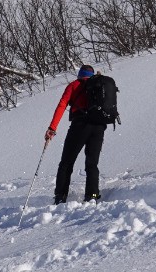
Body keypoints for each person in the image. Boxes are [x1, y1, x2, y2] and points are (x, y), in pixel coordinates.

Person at [44, 64, 116, 204]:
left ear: (80, 74)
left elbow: (62, 105)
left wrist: (52, 128)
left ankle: (60, 196)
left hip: (80, 125)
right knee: (92, 163)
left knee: (66, 162)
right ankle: (92, 195)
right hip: (99, 126)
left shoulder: (74, 85)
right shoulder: (100, 84)